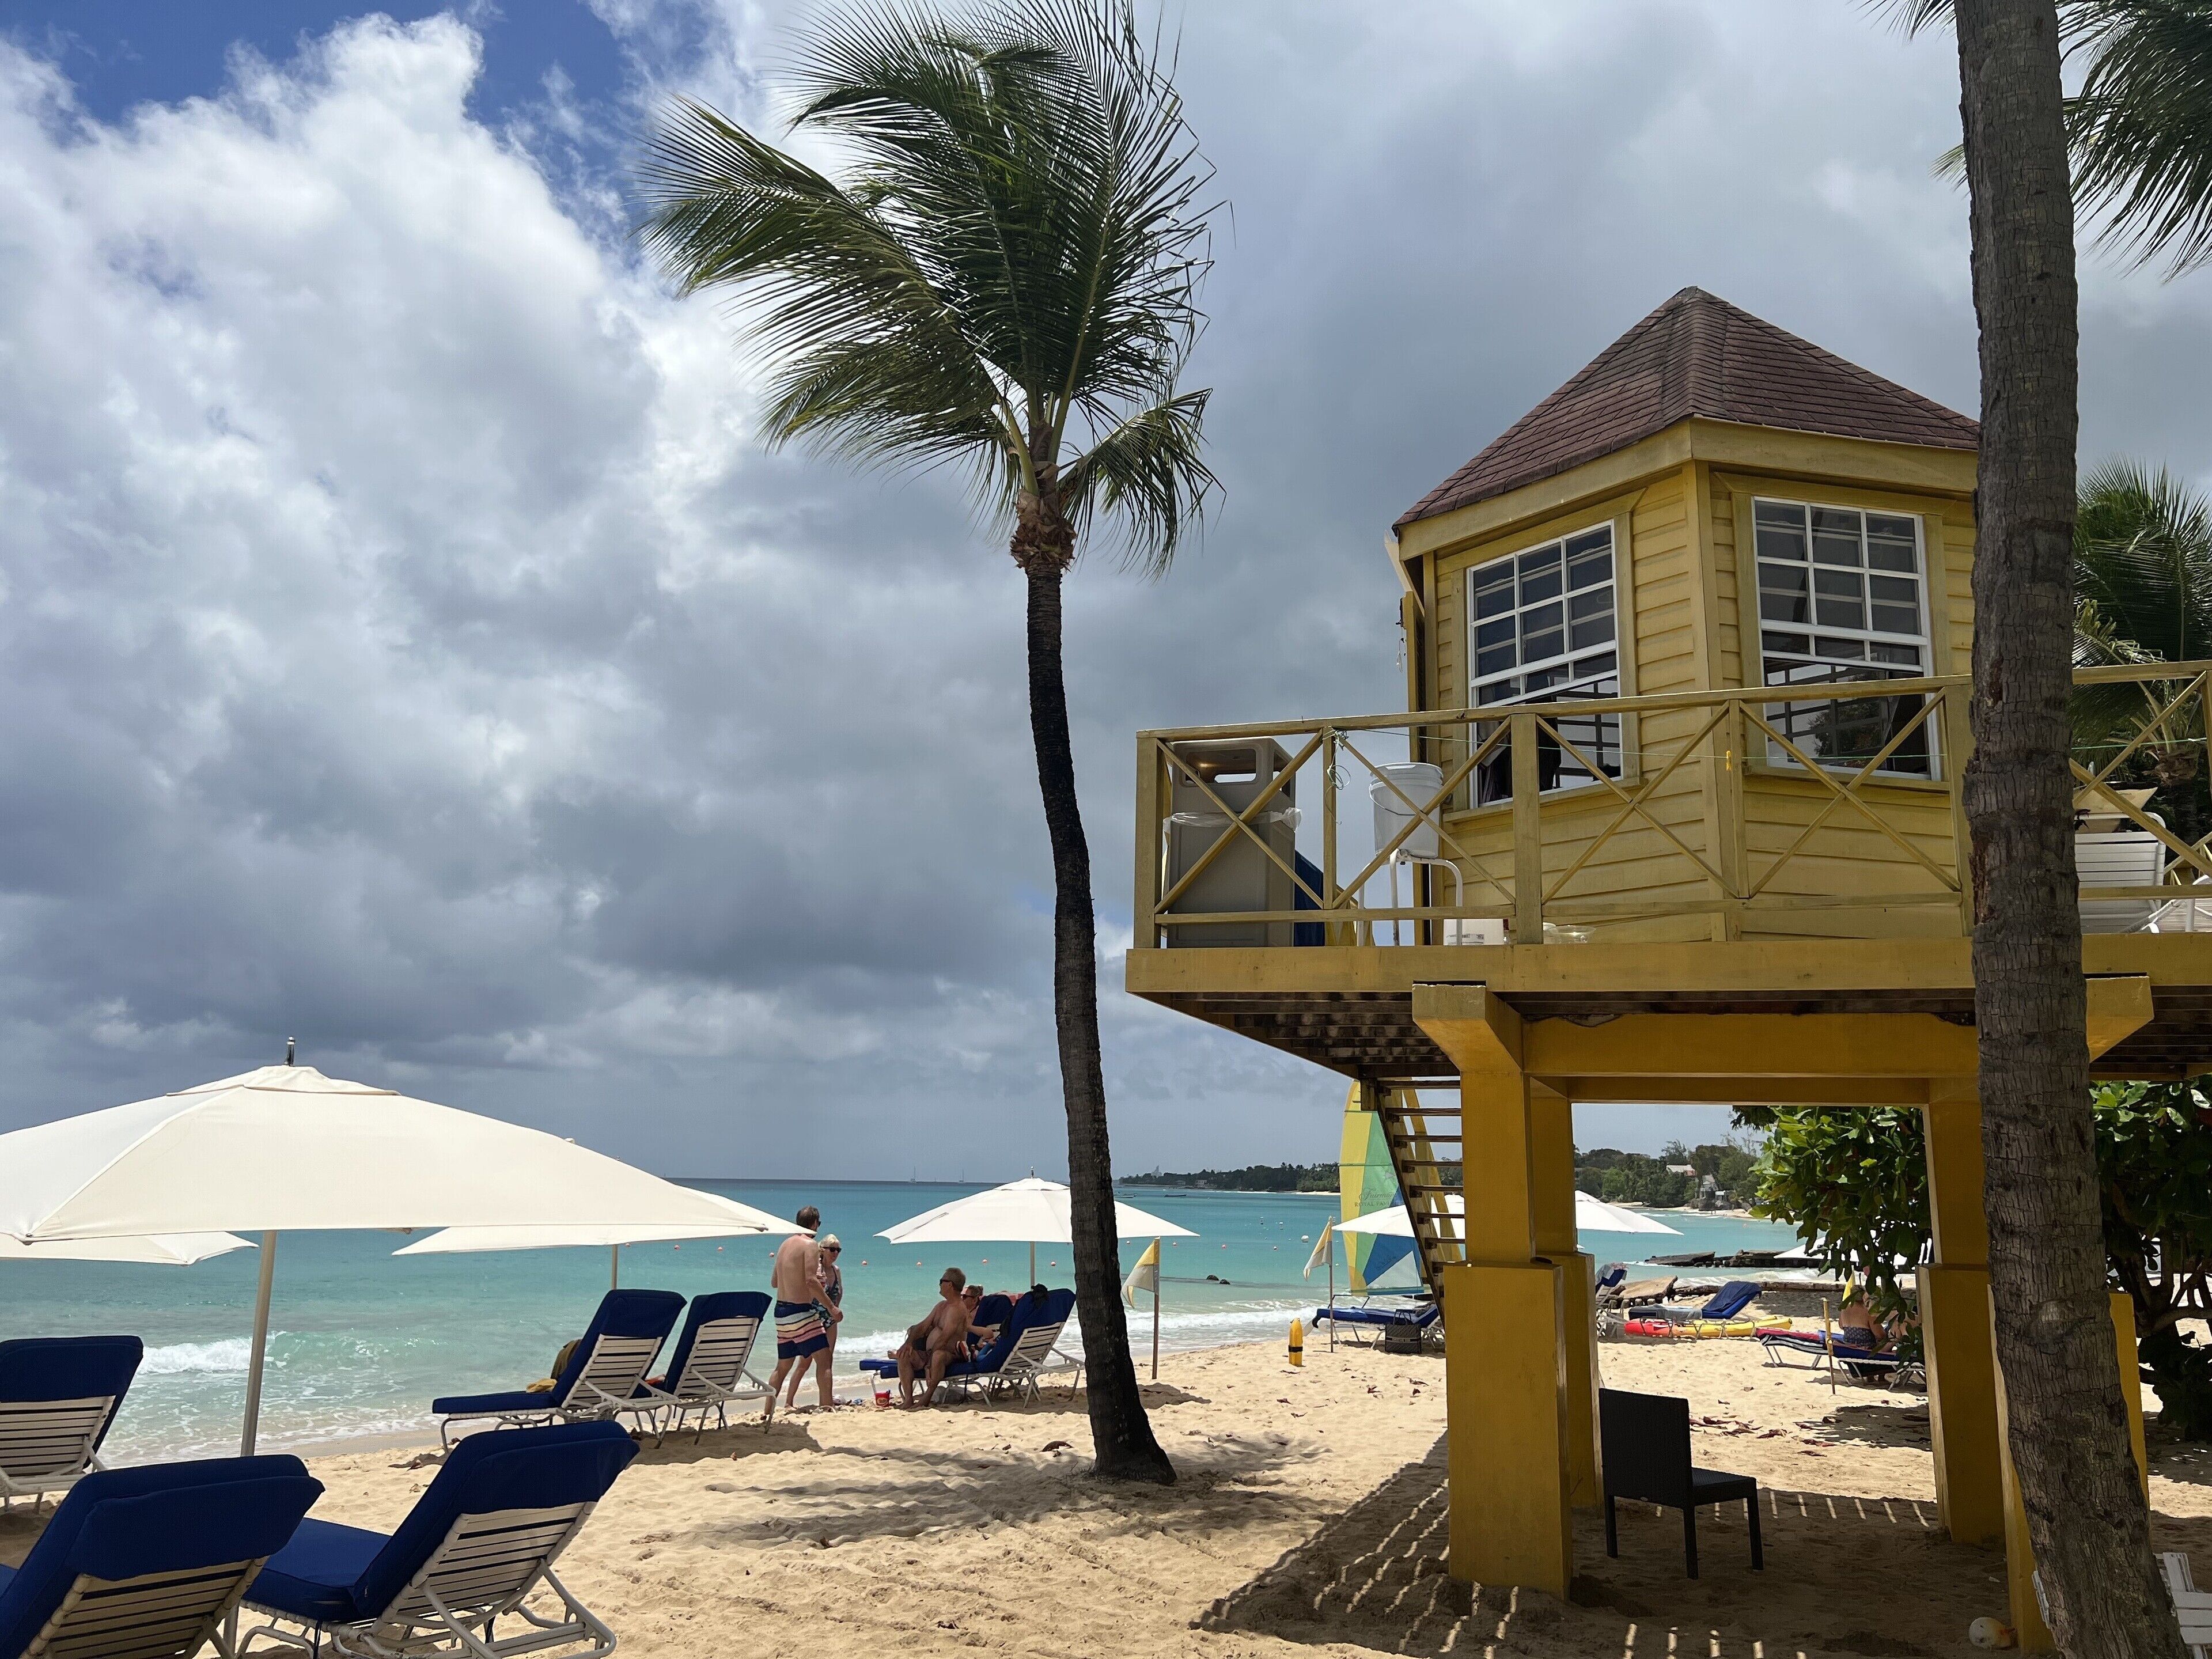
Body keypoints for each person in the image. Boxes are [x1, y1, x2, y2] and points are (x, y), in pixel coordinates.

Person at [764, 1206, 828, 1419]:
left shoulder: (784, 1245)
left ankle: (768, 1411)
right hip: (801, 1311)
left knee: (783, 1366)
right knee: (824, 1360)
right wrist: (832, 1307)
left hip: (781, 1312)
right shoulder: (810, 1244)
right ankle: (827, 1408)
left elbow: (774, 1282)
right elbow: (811, 1280)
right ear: (814, 1223)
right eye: (819, 1224)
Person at [892, 1267, 972, 1406]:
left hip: (951, 1355)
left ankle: (926, 1398)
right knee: (905, 1355)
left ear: (950, 1285)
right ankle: (909, 1400)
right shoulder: (941, 1306)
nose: (939, 1284)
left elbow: (945, 1338)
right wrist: (909, 1343)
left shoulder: (958, 1309)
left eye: (942, 1281)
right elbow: (923, 1326)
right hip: (931, 1353)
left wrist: (928, 1365)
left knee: (938, 1356)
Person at [783, 1233, 845, 1412]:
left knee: (827, 1361)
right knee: (805, 1362)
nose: (835, 1253)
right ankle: (789, 1401)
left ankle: (825, 1402)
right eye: (832, 1249)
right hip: (812, 1318)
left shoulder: (836, 1271)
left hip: (830, 1319)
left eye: (838, 1250)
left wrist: (835, 1309)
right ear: (822, 1250)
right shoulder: (815, 1269)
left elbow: (839, 1291)